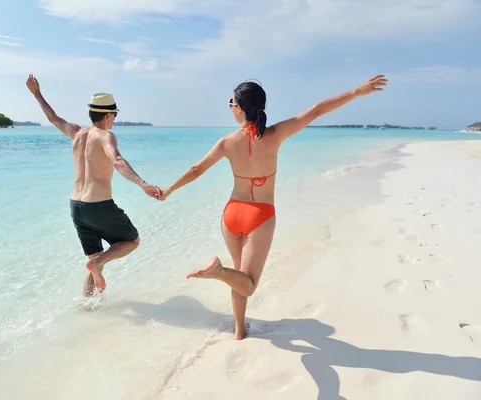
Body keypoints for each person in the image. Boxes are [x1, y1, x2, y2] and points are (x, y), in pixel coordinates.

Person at [158, 75, 388, 340]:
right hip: (261, 216)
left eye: (231, 103)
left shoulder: (226, 142)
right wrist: (356, 92)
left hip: (232, 214)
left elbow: (196, 169)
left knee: (239, 276)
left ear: (240, 108)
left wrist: (168, 190)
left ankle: (238, 330)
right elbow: (316, 111)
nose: (230, 107)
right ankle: (218, 273)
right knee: (248, 284)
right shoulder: (276, 134)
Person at [26, 74, 161, 296]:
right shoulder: (105, 136)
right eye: (114, 116)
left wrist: (37, 94)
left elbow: (53, 118)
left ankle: (88, 307)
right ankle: (98, 265)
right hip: (98, 205)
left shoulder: (76, 133)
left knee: (94, 258)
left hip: (76, 207)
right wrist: (142, 183)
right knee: (131, 241)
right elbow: (117, 161)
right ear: (109, 115)